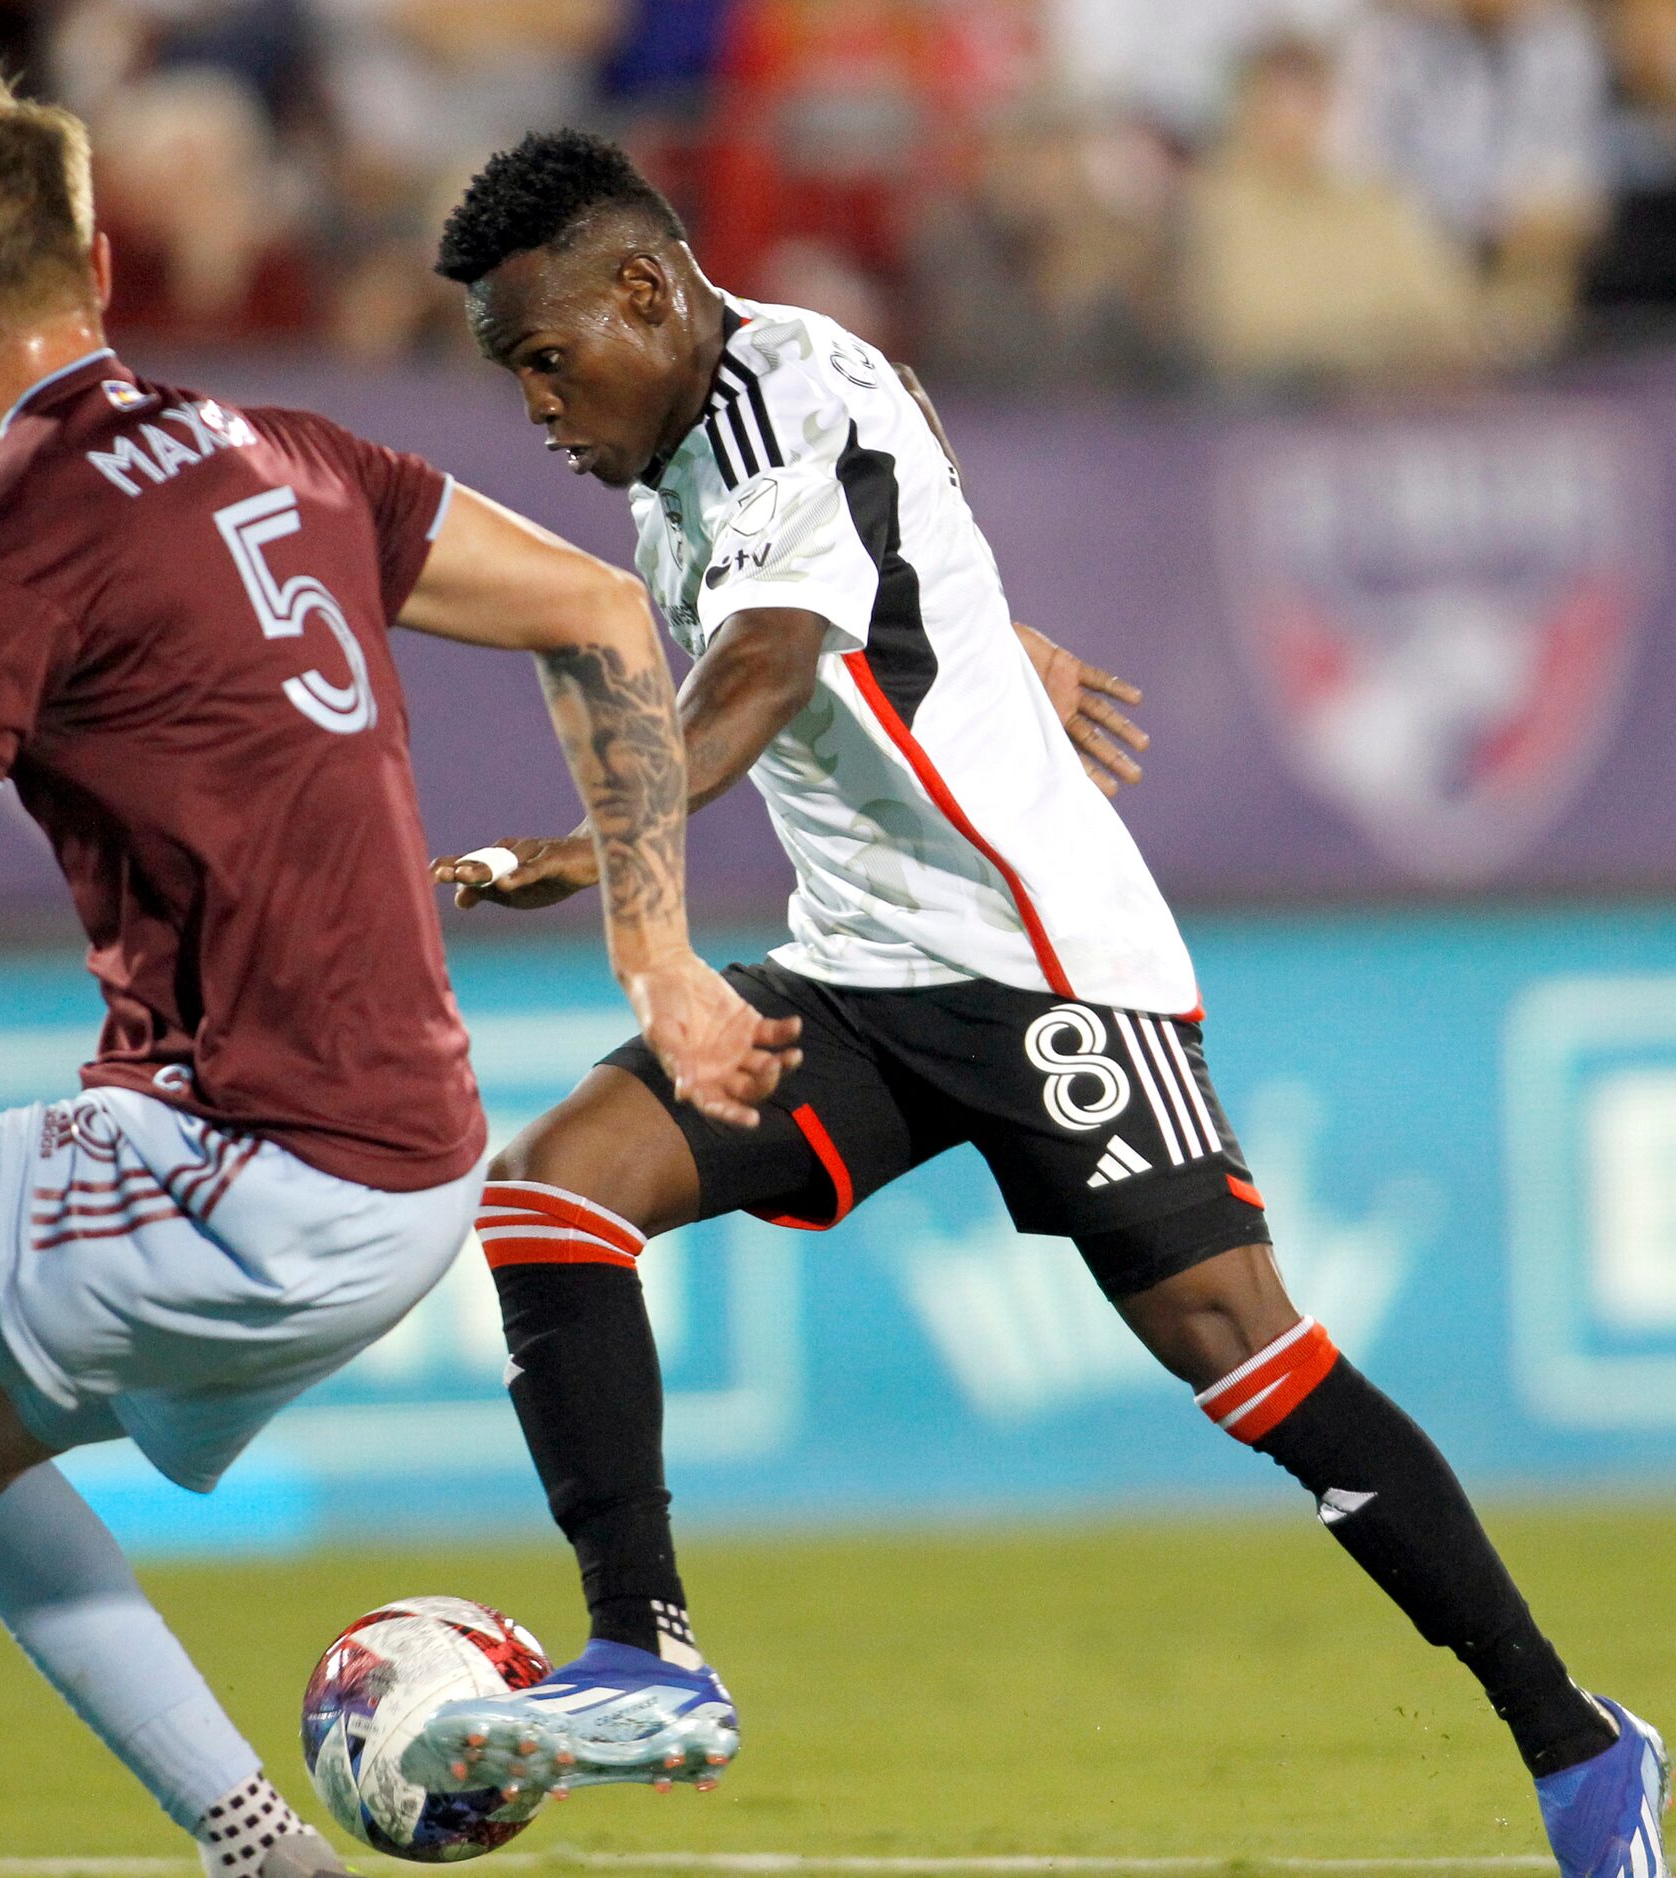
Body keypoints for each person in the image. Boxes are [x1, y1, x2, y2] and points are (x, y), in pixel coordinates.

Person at [414, 129, 1669, 1878]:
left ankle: (1577, 1736)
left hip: (1044, 958)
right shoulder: (696, 431)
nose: (538, 406)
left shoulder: (781, 406)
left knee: (1242, 1352)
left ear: (645, 289)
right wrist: (1001, 645)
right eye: (513, 374)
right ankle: (650, 1651)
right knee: (552, 1189)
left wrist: (599, 832)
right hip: (866, 967)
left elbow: (767, 661)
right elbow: (905, 511)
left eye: (546, 355)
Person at [0, 70, 797, 1878]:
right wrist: (652, 950)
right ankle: (261, 1842)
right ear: (100, 255)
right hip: (413, 1168)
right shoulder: (294, 452)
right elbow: (598, 610)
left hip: (248, 1171)